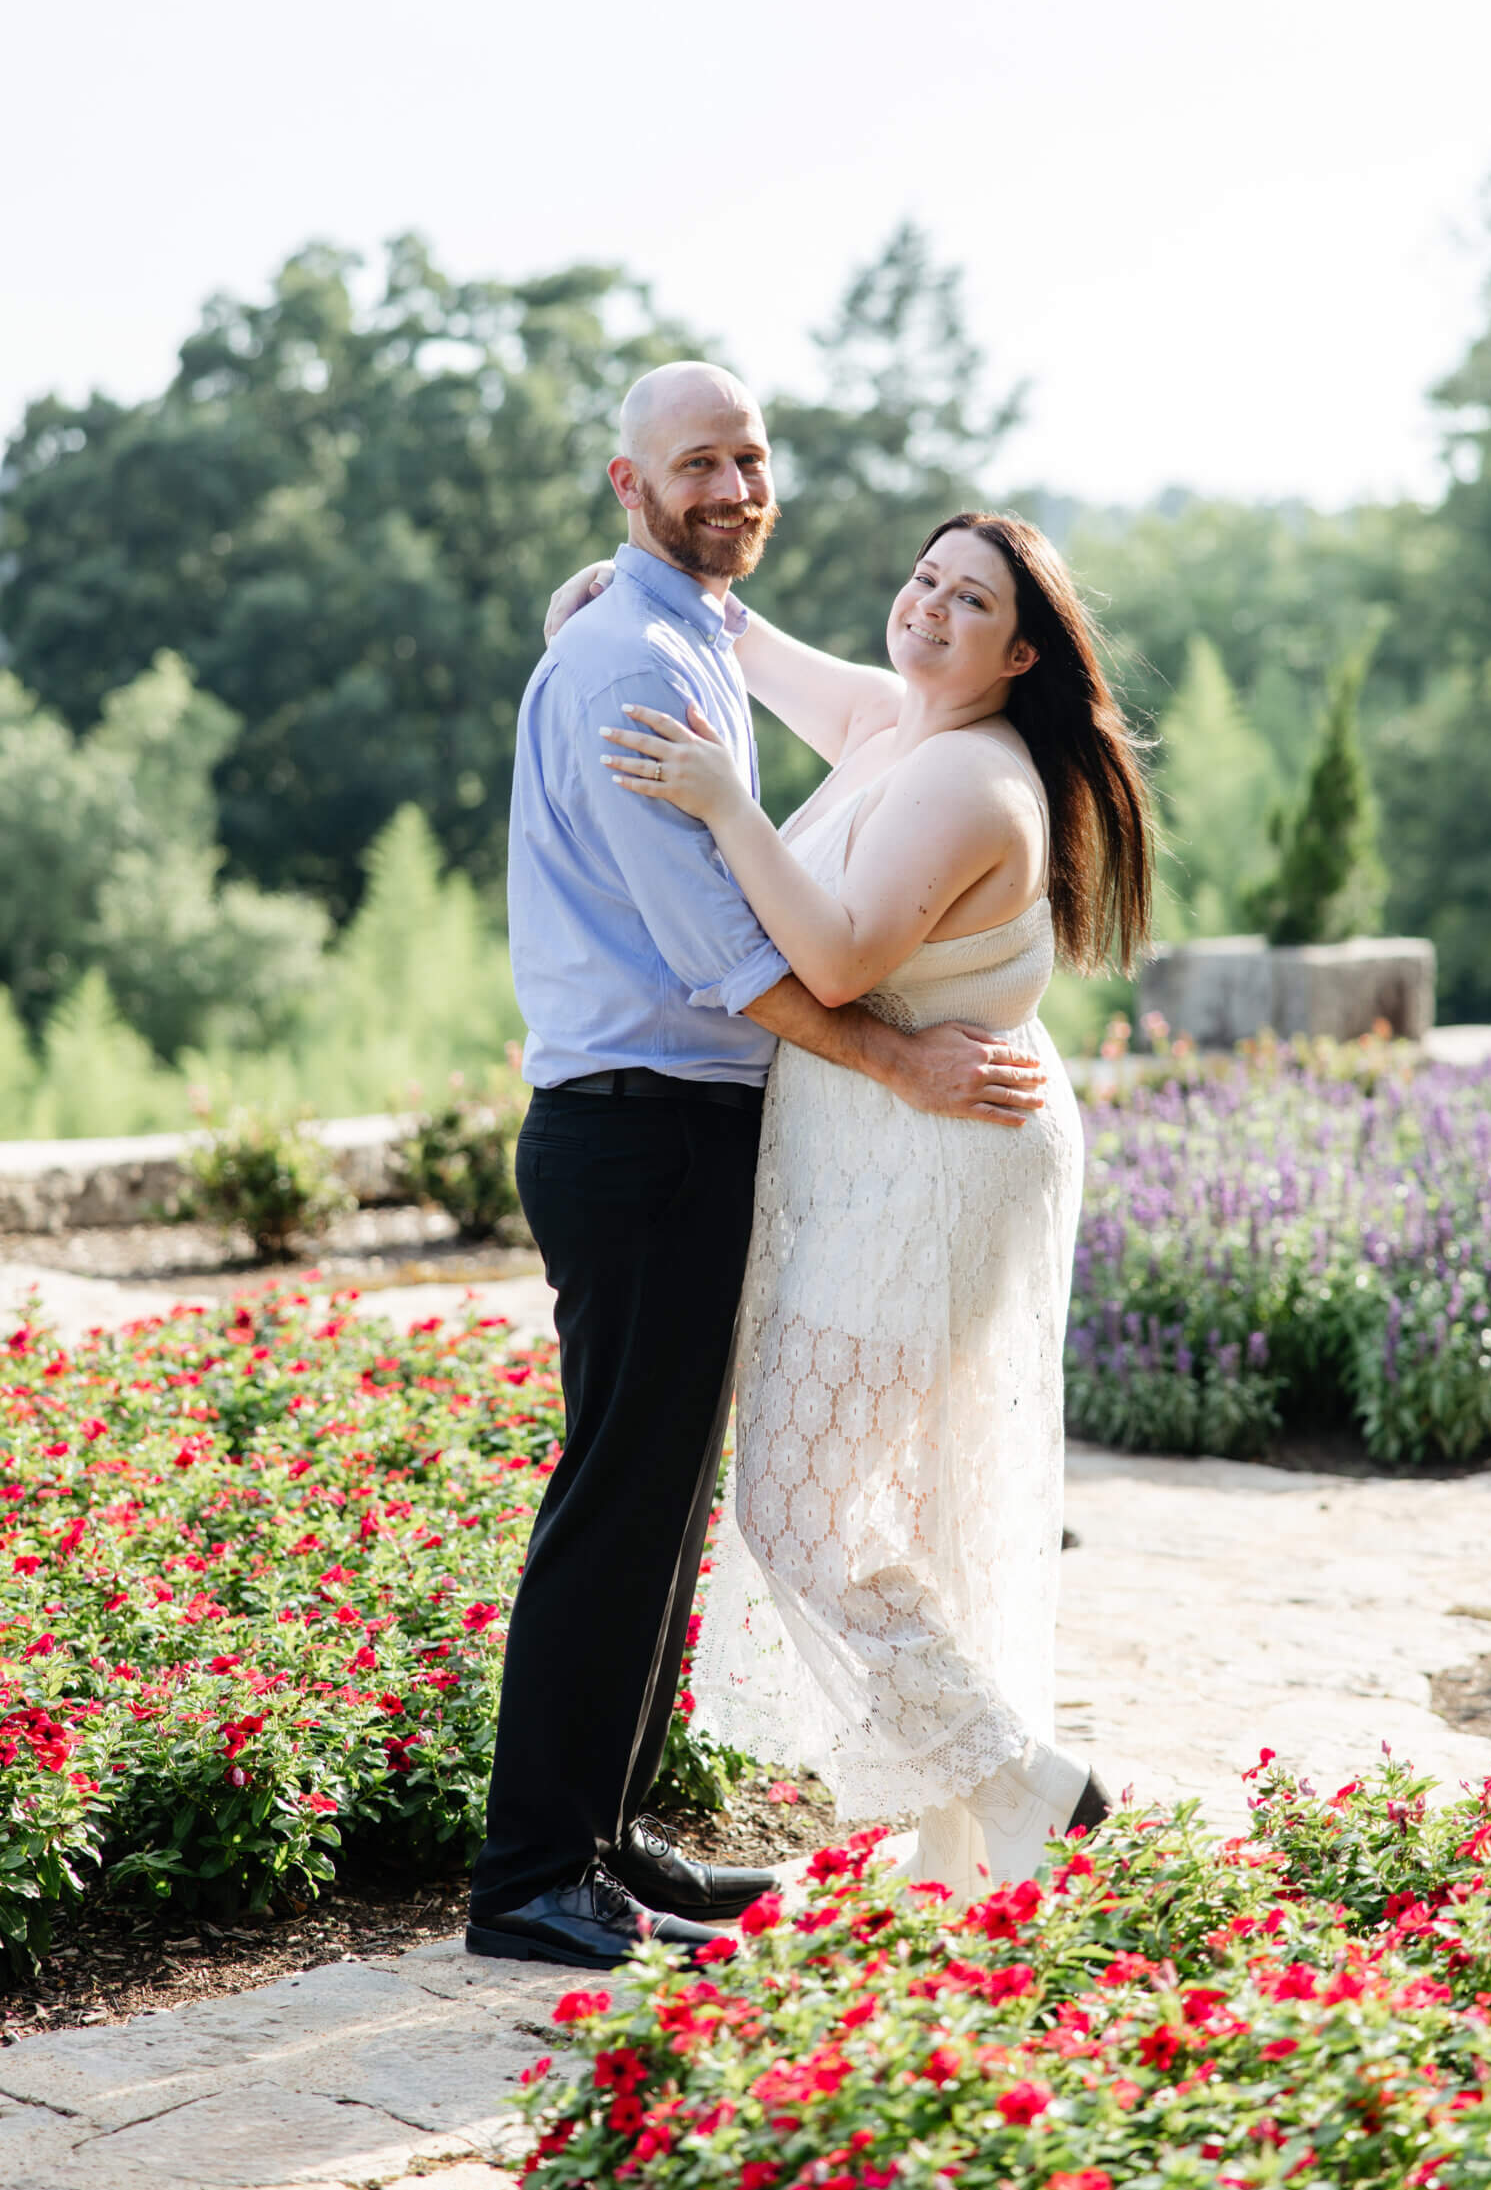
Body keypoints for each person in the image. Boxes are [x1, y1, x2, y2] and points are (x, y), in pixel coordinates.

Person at [465, 363, 1048, 1969]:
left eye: (750, 457)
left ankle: (604, 1834)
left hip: (683, 1130)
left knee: (660, 1504)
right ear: (625, 481)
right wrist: (902, 1059)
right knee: (619, 1501)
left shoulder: (692, 636)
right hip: (642, 1126)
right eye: (695, 464)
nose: (732, 486)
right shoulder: (633, 669)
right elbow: (727, 955)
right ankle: (531, 1879)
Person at [561, 502, 1153, 1896]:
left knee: (797, 1494)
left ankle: (1021, 1782)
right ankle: (1000, 1803)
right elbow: (758, 645)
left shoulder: (968, 782)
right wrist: (636, 585)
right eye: (924, 579)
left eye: (971, 604)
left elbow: (827, 963)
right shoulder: (903, 721)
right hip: (895, 1155)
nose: (931, 609)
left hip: (937, 1172)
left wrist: (722, 803)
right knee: (854, 1493)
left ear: (1019, 657)